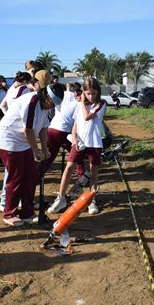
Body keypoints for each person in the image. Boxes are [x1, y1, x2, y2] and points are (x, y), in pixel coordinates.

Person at [0, 70, 59, 226]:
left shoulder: (46, 106)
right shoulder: (32, 102)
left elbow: (43, 129)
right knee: (16, 177)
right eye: (52, 102)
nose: (52, 106)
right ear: (47, 97)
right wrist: (36, 151)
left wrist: (44, 149)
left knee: (30, 176)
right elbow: (28, 130)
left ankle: (28, 212)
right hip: (8, 140)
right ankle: (9, 213)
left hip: (22, 141)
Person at [48, 77, 106, 214]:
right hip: (80, 143)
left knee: (93, 173)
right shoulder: (79, 104)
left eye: (93, 93)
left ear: (98, 92)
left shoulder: (101, 104)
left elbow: (86, 117)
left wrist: (81, 103)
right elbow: (75, 124)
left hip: (95, 143)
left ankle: (92, 200)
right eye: (88, 93)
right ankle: (61, 198)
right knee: (69, 168)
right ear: (84, 92)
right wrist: (74, 140)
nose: (91, 96)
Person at [0, 71, 32, 212]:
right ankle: (6, 201)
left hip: (12, 131)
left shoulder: (12, 89)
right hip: (16, 134)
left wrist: (8, 117)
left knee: (11, 171)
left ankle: (7, 200)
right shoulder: (24, 91)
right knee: (13, 173)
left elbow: (2, 105)